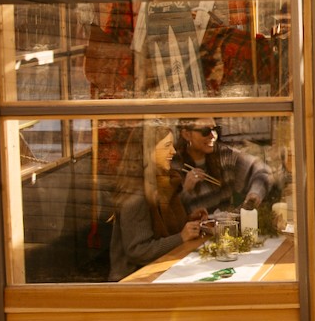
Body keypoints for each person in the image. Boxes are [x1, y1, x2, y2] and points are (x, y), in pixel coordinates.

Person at [108, 127, 205, 280]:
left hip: (163, 270)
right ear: (147, 152)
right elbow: (138, 251)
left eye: (172, 145)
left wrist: (190, 220)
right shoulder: (136, 196)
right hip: (136, 280)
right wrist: (181, 237)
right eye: (167, 146)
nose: (173, 151)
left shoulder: (164, 185)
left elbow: (163, 228)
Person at [174, 118, 275, 214]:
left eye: (215, 129)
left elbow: (262, 171)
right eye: (205, 131)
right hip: (192, 230)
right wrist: (186, 190)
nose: (213, 136)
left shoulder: (224, 156)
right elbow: (168, 213)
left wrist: (255, 193)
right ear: (186, 134)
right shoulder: (175, 165)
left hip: (226, 227)